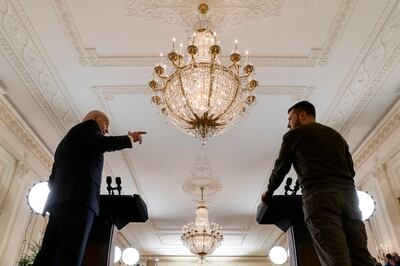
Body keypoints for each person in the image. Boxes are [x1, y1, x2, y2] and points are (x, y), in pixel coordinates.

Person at [261, 101, 375, 266]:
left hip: (319, 198)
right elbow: (351, 170)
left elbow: (280, 168)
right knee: (361, 256)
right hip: (350, 197)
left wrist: (269, 192)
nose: (288, 124)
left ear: (302, 115)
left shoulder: (294, 135)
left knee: (335, 258)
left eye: (290, 118)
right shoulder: (337, 136)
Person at [33, 110, 146, 266]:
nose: (106, 130)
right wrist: (129, 138)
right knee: (72, 255)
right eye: (106, 124)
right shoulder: (89, 126)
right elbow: (101, 143)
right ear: (95, 118)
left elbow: (53, 179)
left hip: (58, 204)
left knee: (48, 255)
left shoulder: (65, 143)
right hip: (79, 202)